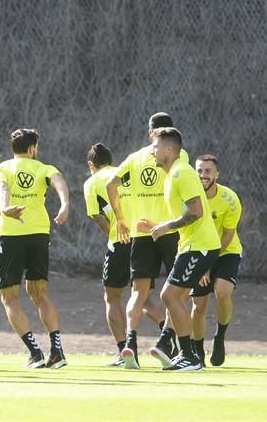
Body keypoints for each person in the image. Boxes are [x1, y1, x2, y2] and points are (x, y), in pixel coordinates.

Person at [106, 112, 186, 369]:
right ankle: (166, 341)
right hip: (169, 230)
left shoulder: (135, 157)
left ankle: (130, 344)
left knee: (138, 292)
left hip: (140, 232)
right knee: (178, 292)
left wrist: (120, 218)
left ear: (150, 131)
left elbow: (111, 184)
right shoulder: (176, 155)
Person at [0, 128, 69, 369]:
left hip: (12, 236)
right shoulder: (43, 167)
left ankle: (35, 352)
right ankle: (57, 351)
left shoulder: (0, 168)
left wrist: (4, 208)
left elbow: (1, 189)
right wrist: (64, 205)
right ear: (33, 148)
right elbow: (59, 182)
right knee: (40, 294)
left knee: (9, 297)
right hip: (38, 235)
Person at [143, 127, 220, 371]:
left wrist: (167, 226)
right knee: (174, 296)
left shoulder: (181, 173)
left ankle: (190, 356)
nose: (151, 152)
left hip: (201, 246)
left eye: (154, 147)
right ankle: (187, 353)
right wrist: (159, 225)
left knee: (169, 295)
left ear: (168, 149)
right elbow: (185, 215)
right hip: (191, 245)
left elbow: (195, 212)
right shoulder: (172, 175)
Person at [83, 143, 165, 366]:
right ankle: (169, 334)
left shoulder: (92, 182)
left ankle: (124, 351)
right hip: (144, 238)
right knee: (143, 297)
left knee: (112, 297)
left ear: (91, 165)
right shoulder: (125, 171)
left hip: (120, 240)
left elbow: (98, 217)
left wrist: (113, 234)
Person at [190, 154, 243, 367]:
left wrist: (209, 266)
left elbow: (228, 234)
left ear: (216, 174)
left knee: (222, 293)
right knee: (199, 306)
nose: (203, 175)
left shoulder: (229, 199)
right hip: (198, 251)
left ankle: (220, 337)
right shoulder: (189, 198)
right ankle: (197, 350)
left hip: (225, 251)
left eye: (208, 171)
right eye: (200, 170)